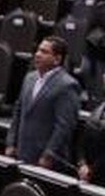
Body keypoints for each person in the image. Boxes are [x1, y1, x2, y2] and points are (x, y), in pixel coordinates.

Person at [6, 37, 81, 173]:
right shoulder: (30, 78)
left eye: (44, 52)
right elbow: (18, 111)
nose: (37, 54)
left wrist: (49, 155)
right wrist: (11, 142)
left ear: (57, 59)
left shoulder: (68, 85)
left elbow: (64, 126)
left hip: (47, 162)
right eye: (38, 50)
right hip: (22, 153)